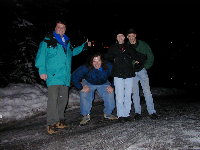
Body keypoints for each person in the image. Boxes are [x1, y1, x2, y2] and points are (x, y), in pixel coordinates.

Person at [35, 20, 91, 134]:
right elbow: (41, 56)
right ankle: (51, 123)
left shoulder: (67, 42)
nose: (61, 29)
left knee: (63, 100)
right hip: (53, 75)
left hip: (65, 77)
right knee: (53, 100)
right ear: (55, 28)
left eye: (63, 27)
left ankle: (59, 121)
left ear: (65, 29)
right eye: (59, 27)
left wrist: (84, 46)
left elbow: (72, 52)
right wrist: (42, 70)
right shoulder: (47, 40)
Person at [105, 31, 145, 123]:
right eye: (118, 36)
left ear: (124, 37)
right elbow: (107, 57)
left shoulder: (129, 47)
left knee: (128, 95)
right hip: (118, 74)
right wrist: (113, 59)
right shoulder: (112, 48)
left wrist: (140, 61)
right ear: (116, 38)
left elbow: (137, 56)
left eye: (122, 36)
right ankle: (120, 115)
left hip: (129, 74)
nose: (120, 37)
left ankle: (126, 114)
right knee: (119, 95)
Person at [71, 53, 117, 125]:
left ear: (102, 61)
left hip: (103, 83)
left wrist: (112, 86)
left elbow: (117, 75)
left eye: (98, 61)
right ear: (91, 62)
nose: (96, 64)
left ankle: (108, 113)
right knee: (84, 93)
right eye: (94, 61)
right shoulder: (86, 67)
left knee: (110, 93)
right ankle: (86, 115)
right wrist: (80, 87)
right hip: (88, 82)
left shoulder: (108, 66)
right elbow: (74, 76)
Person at [126, 28, 158, 120]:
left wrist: (146, 66)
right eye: (129, 36)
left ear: (135, 35)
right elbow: (124, 59)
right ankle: (137, 112)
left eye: (133, 36)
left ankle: (152, 112)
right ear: (127, 37)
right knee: (135, 92)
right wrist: (131, 65)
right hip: (132, 72)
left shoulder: (143, 45)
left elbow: (150, 56)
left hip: (142, 71)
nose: (131, 38)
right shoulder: (126, 46)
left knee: (147, 91)